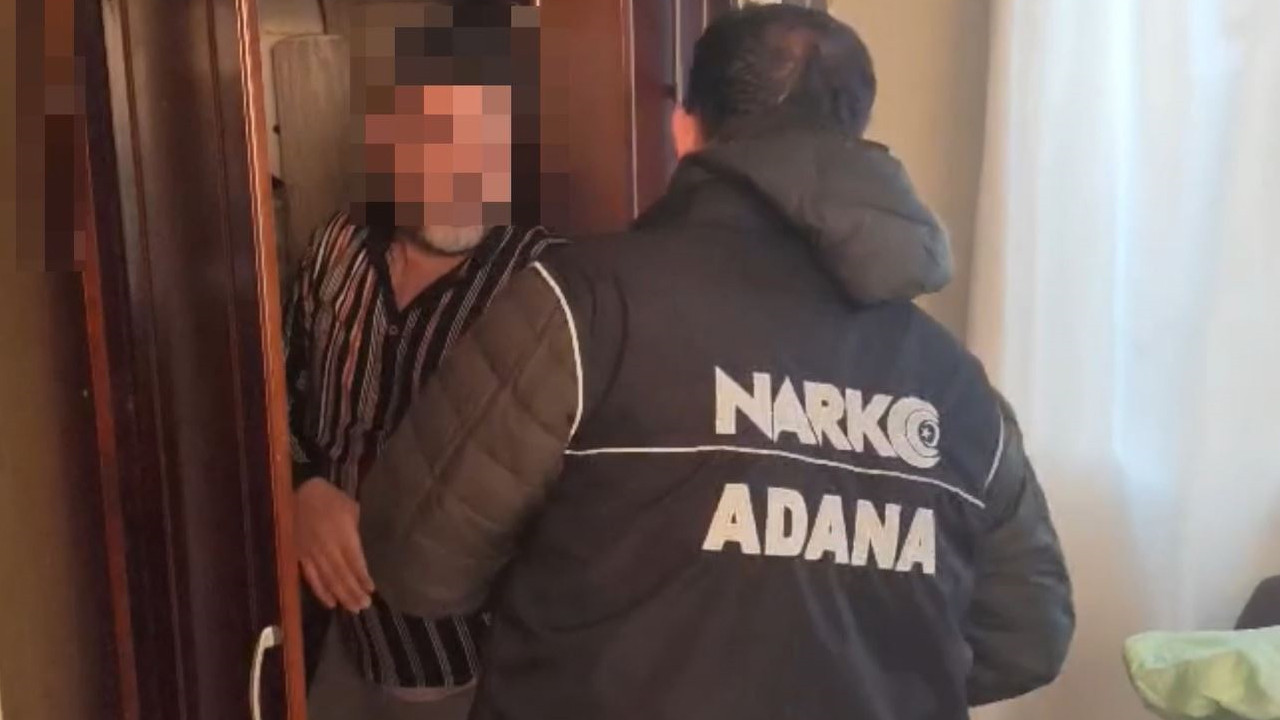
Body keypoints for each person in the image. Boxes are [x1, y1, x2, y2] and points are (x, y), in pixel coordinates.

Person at [358, 5, 1074, 720]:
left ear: (685, 129)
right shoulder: (955, 385)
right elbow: (1028, 635)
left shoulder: (582, 309)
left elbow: (415, 558)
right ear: (854, 136)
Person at [283, 2, 552, 719]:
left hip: (475, 676)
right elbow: (271, 395)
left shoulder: (546, 285)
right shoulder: (336, 248)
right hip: (336, 650)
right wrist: (301, 488)